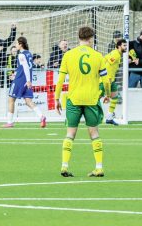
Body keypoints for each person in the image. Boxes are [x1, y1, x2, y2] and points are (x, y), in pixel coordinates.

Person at [55, 26, 111, 178]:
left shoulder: (68, 55)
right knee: (94, 133)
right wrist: (106, 94)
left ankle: (64, 166)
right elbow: (106, 80)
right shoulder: (98, 56)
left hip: (74, 99)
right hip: (92, 99)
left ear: (78, 37)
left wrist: (56, 98)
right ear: (91, 38)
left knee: (70, 133)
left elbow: (60, 80)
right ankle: (99, 168)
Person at [1, 37, 46, 128]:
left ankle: (9, 122)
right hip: (25, 79)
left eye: (17, 43)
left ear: (21, 44)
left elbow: (25, 67)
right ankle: (41, 116)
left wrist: (25, 79)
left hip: (20, 80)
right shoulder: (29, 53)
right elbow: (24, 67)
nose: (16, 45)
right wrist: (16, 74)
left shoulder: (21, 55)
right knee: (28, 101)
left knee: (11, 99)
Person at [100, 39, 127, 126]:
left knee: (115, 98)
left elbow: (104, 59)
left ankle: (109, 117)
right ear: (119, 46)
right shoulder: (116, 54)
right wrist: (106, 78)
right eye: (124, 45)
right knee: (96, 98)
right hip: (106, 80)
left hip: (112, 80)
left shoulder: (116, 53)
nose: (126, 47)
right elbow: (107, 64)